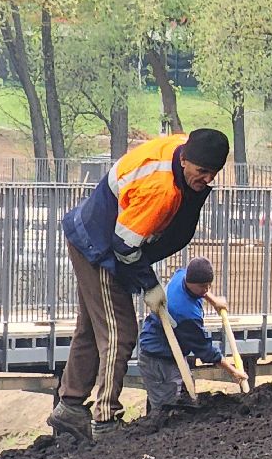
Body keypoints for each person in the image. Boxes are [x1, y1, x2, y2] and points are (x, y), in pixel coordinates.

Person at [47, 129, 230, 443]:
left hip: (96, 232)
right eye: (202, 172)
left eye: (213, 174)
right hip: (100, 246)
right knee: (120, 332)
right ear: (185, 160)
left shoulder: (184, 148)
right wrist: (149, 286)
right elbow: (124, 247)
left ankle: (70, 407)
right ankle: (105, 419)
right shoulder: (162, 191)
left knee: (91, 328)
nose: (207, 179)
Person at [137, 257, 245, 425]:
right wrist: (233, 372)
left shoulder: (182, 275)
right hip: (158, 358)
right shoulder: (185, 313)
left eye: (209, 285)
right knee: (167, 411)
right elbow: (206, 351)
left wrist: (214, 300)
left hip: (174, 353)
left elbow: (201, 287)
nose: (206, 289)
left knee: (184, 399)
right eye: (203, 286)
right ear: (190, 282)